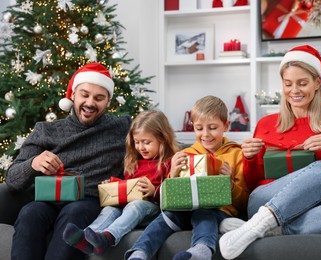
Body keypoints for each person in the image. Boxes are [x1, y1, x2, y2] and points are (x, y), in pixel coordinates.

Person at [218, 45, 321, 259]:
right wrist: (250, 157)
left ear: (318, 83)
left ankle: (260, 230)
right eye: (288, 84)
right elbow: (252, 183)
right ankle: (263, 221)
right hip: (265, 199)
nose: (295, 91)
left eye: (302, 83)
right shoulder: (267, 124)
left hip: (317, 206)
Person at [6, 62, 132, 260]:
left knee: (75, 212)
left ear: (108, 102)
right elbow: (12, 181)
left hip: (89, 200)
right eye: (84, 94)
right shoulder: (45, 130)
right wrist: (33, 164)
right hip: (48, 199)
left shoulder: (123, 127)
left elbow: (157, 140)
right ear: (72, 95)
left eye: (99, 98)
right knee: (30, 212)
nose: (90, 103)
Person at [125, 95, 250, 260]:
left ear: (226, 125)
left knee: (204, 212)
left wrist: (230, 184)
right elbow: (168, 200)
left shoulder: (237, 154)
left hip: (219, 211)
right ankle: (139, 253)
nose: (205, 134)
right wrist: (173, 174)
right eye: (199, 128)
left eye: (212, 127)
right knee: (166, 217)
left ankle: (201, 250)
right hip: (185, 211)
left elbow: (243, 203)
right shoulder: (186, 154)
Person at [62, 110, 180, 255]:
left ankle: (108, 237)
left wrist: (154, 191)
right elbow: (129, 186)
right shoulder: (134, 161)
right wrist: (114, 184)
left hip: (152, 209)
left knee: (136, 205)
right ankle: (88, 237)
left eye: (146, 142)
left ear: (162, 139)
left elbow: (175, 196)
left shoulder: (169, 162)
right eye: (137, 142)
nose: (141, 147)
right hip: (129, 205)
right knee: (110, 209)